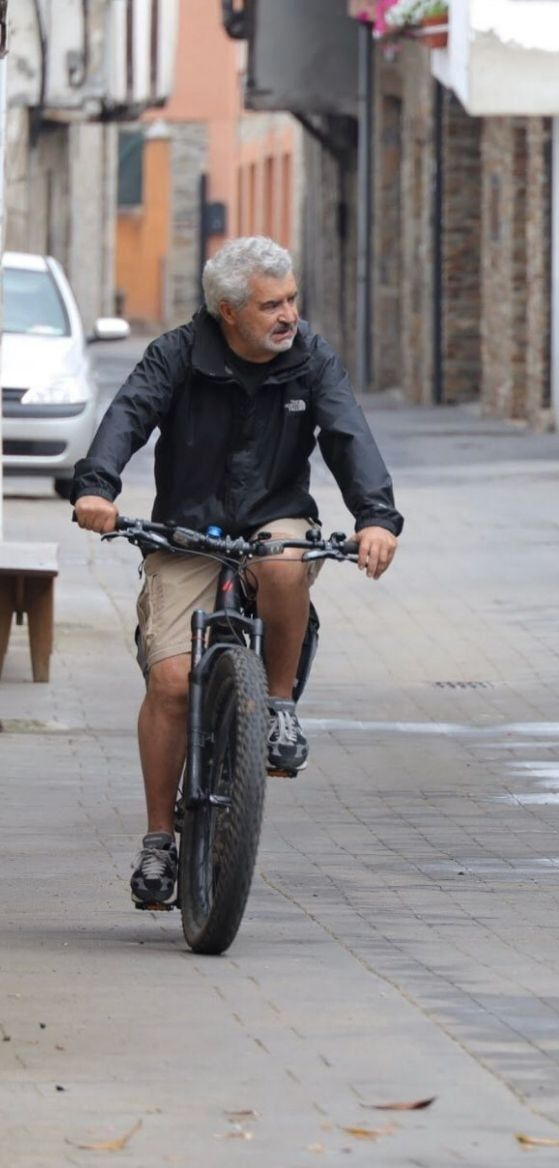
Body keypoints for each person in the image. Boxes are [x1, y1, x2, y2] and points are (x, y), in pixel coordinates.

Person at [72, 236, 402, 908]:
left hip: (274, 518)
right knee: (168, 683)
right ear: (227, 311)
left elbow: (348, 436)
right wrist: (98, 489)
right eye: (269, 305)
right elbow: (128, 415)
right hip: (186, 531)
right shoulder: (176, 355)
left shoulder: (309, 358)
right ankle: (160, 841)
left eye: (290, 301)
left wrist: (376, 517)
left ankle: (278, 707)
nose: (287, 316)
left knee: (284, 564)